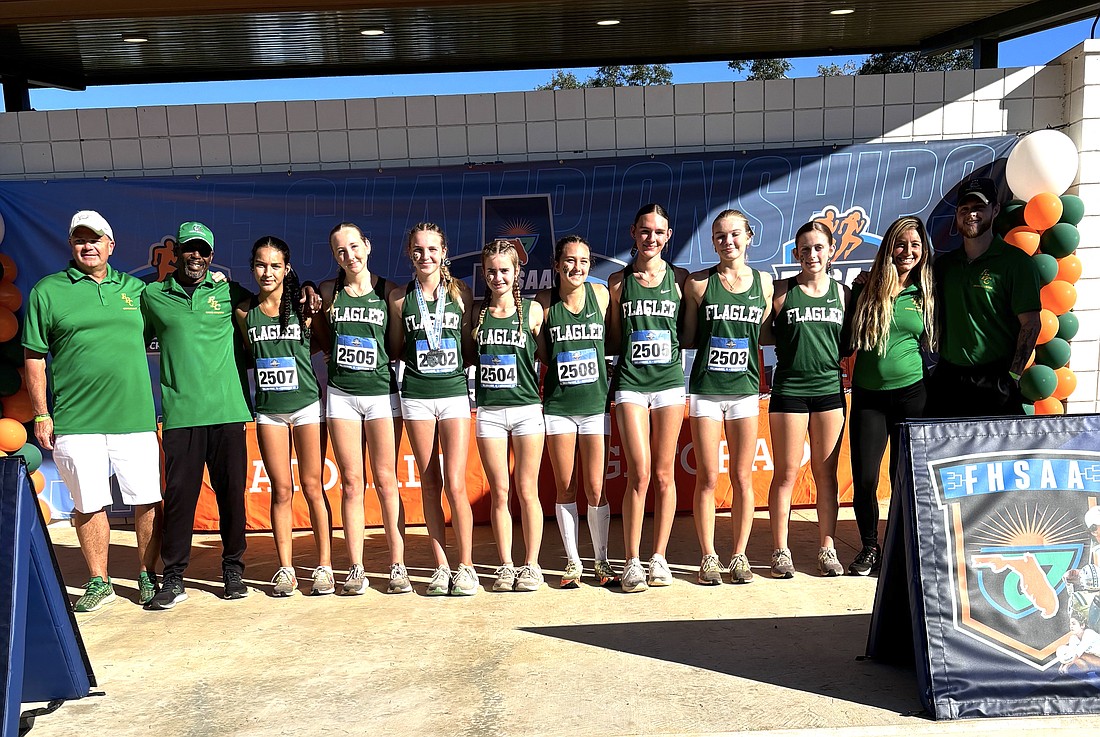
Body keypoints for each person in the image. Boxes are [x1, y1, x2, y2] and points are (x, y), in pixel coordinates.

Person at [23, 210, 162, 611]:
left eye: (95, 238)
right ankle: (99, 581)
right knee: (88, 503)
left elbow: (177, 323)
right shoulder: (47, 291)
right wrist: (41, 413)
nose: (88, 246)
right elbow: (34, 357)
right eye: (80, 239)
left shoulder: (138, 290)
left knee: (148, 499)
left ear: (110, 245)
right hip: (76, 420)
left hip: (134, 417)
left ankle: (148, 574)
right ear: (71, 245)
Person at [141, 221, 255, 610]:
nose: (196, 256)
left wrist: (304, 291)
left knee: (231, 498)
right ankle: (173, 579)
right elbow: (127, 339)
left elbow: (273, 304)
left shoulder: (229, 291)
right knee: (179, 501)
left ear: (211, 255)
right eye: (189, 249)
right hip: (181, 415)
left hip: (227, 411)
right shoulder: (153, 295)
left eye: (203, 250)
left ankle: (233, 569)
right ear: (176, 253)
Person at [315, 223, 411, 595]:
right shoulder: (328, 291)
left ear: (368, 246)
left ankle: (397, 565)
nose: (349, 256)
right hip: (341, 395)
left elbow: (397, 345)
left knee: (387, 482)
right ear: (334, 256)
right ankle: (355, 567)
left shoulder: (391, 293)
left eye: (354, 247)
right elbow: (322, 337)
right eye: (341, 251)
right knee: (352, 484)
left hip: (382, 396)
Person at [235, 236, 333, 596]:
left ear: (287, 269)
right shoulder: (245, 311)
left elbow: (322, 342)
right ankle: (286, 569)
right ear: (252, 267)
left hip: (307, 405)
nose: (267, 272)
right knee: (281, 490)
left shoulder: (304, 306)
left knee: (312, 487)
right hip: (269, 412)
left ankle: (324, 566)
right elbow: (249, 352)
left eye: (276, 265)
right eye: (261, 265)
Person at [680, 210, 772, 585]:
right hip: (705, 390)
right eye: (719, 236)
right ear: (713, 242)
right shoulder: (699, 284)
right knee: (707, 476)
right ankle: (707, 557)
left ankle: (739, 556)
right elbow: (687, 336)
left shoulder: (765, 284)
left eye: (735, 234)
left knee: (742, 477)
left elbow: (764, 335)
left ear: (749, 237)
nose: (727, 241)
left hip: (745, 392)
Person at [387, 222, 479, 596]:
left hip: (454, 393)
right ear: (410, 253)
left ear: (444, 253)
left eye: (432, 249)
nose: (425, 256)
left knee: (456, 483)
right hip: (417, 396)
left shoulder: (461, 294)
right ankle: (441, 566)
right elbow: (396, 347)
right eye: (418, 249)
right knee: (429, 482)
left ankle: (467, 566)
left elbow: (469, 347)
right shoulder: (398, 298)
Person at [846, 216, 935, 576]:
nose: (907, 252)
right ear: (888, 248)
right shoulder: (865, 287)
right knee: (865, 479)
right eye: (901, 244)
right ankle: (870, 546)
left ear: (924, 250)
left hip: (912, 396)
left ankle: (900, 547)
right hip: (870, 398)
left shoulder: (927, 290)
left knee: (905, 477)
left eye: (915, 245)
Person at [607, 203, 689, 593]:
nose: (651, 238)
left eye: (658, 232)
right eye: (644, 231)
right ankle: (632, 560)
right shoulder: (617, 282)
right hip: (631, 384)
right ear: (633, 233)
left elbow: (686, 332)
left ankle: (659, 557)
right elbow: (614, 336)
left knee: (663, 473)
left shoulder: (682, 279)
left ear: (668, 236)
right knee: (638, 473)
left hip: (670, 383)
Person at [764, 221, 850, 578]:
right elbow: (761, 336)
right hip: (789, 392)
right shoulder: (782, 292)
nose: (811, 255)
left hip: (829, 391)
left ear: (831, 251)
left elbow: (851, 344)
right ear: (795, 253)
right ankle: (780, 551)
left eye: (818, 247)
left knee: (825, 475)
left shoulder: (845, 294)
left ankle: (827, 548)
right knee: (785, 473)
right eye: (804, 249)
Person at [536, 235, 618, 589]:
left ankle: (601, 560)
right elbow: (541, 353)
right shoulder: (542, 303)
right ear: (556, 265)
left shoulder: (600, 297)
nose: (577, 267)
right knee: (566, 487)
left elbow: (612, 340)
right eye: (569, 261)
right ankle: (572, 562)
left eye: (583, 261)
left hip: (595, 405)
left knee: (596, 488)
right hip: (559, 407)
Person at [926, 177, 1041, 417]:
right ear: (957, 215)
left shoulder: (1016, 263)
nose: (971, 215)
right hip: (949, 378)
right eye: (965, 209)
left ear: (995, 209)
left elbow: (1031, 323)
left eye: (979, 207)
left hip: (994, 379)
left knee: (995, 454)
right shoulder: (944, 265)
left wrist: (1013, 375)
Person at [474, 239, 546, 592]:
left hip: (527, 411)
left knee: (526, 488)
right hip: (489, 412)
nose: (497, 277)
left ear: (518, 272)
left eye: (504, 270)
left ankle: (531, 565)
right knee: (500, 492)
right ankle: (505, 565)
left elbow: (547, 354)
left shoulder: (533, 311)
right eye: (491, 270)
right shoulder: (476, 312)